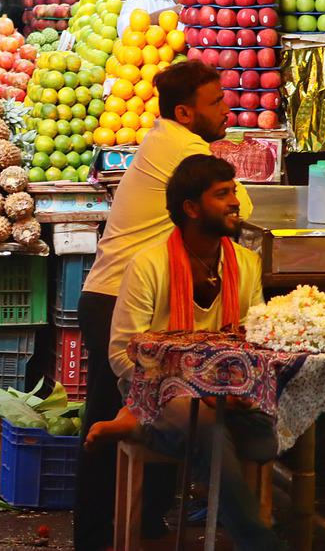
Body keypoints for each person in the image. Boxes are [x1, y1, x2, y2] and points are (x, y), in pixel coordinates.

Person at [73, 60, 253, 550]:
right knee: (112, 425)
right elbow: (241, 210)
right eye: (215, 102)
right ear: (185, 112)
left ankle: (144, 530)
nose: (226, 109)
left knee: (148, 418)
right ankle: (93, 539)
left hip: (123, 295)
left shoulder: (166, 137)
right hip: (119, 301)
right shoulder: (182, 146)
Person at [88, 154, 279, 551]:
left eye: (234, 191)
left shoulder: (246, 264)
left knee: (264, 441)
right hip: (156, 395)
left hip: (231, 395)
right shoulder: (149, 265)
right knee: (207, 427)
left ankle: (133, 425)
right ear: (191, 208)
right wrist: (190, 389)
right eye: (222, 194)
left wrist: (226, 391)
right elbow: (122, 356)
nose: (235, 202)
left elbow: (254, 344)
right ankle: (264, 544)